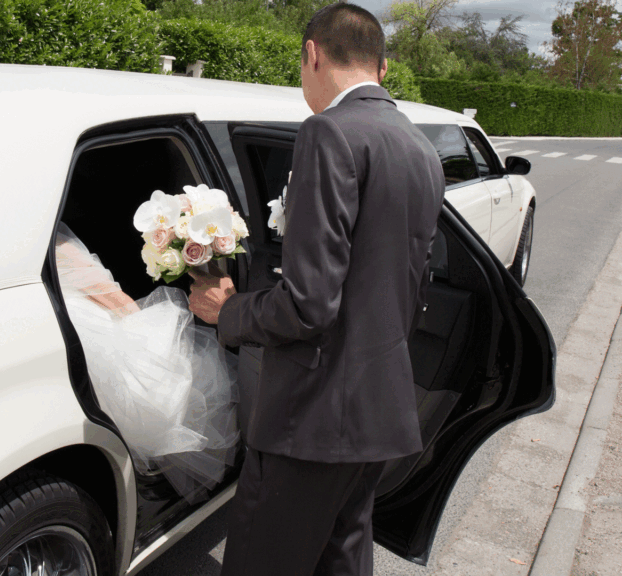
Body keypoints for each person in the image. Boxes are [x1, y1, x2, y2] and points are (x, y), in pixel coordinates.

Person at [187, 4, 445, 576]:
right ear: (383, 66)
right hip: (378, 411)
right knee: (342, 560)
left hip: (313, 420)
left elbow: (308, 305)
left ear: (312, 54)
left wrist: (227, 310)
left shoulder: (328, 132)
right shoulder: (418, 146)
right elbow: (404, 281)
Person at [54, 223, 241, 502]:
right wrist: (136, 319)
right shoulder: (58, 244)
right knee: (169, 370)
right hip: (82, 329)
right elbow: (104, 290)